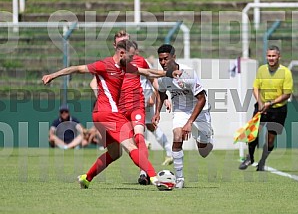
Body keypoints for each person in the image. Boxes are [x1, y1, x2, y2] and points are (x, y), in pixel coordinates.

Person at [42, 40, 180, 189]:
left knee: (115, 153)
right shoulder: (104, 65)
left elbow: (147, 72)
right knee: (131, 146)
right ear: (121, 53)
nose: (133, 59)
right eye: (131, 56)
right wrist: (53, 75)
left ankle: (86, 178)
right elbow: (77, 69)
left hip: (99, 115)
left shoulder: (126, 66)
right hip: (109, 113)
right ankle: (154, 178)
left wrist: (169, 73)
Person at [152, 44, 214, 189]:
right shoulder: (163, 78)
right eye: (160, 60)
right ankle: (179, 179)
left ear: (173, 57)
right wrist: (157, 112)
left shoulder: (188, 73)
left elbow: (202, 98)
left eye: (166, 59)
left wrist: (190, 123)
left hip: (200, 110)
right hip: (180, 111)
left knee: (204, 151)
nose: (163, 63)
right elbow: (161, 93)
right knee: (177, 135)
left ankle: (207, 136)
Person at [239, 45, 293, 171]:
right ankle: (250, 157)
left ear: (279, 57)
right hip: (261, 106)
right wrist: (260, 102)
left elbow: (287, 94)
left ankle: (262, 161)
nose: (271, 58)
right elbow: (256, 88)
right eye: (269, 56)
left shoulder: (285, 72)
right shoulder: (262, 70)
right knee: (252, 133)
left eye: (274, 56)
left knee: (270, 139)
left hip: (278, 109)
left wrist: (271, 103)